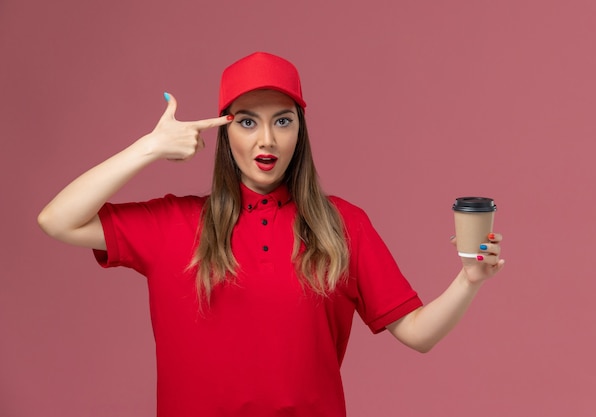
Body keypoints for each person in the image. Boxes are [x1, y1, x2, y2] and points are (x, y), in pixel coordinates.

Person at [38, 52, 505, 417]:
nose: (267, 140)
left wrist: (469, 279)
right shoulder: (174, 224)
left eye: (283, 120)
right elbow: (57, 219)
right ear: (225, 133)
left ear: (300, 131)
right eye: (247, 121)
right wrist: (149, 148)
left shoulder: (343, 225)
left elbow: (418, 333)